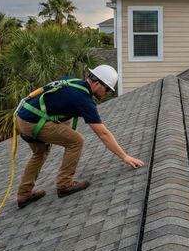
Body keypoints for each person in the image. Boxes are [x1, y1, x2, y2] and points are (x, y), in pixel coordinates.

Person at [15, 64, 144, 208]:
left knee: (40, 153)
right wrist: (125, 157)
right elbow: (103, 133)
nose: (107, 93)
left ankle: (23, 195)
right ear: (96, 83)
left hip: (24, 117)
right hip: (34, 121)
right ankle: (65, 184)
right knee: (76, 141)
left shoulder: (74, 83)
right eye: (107, 88)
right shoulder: (83, 99)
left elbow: (58, 106)